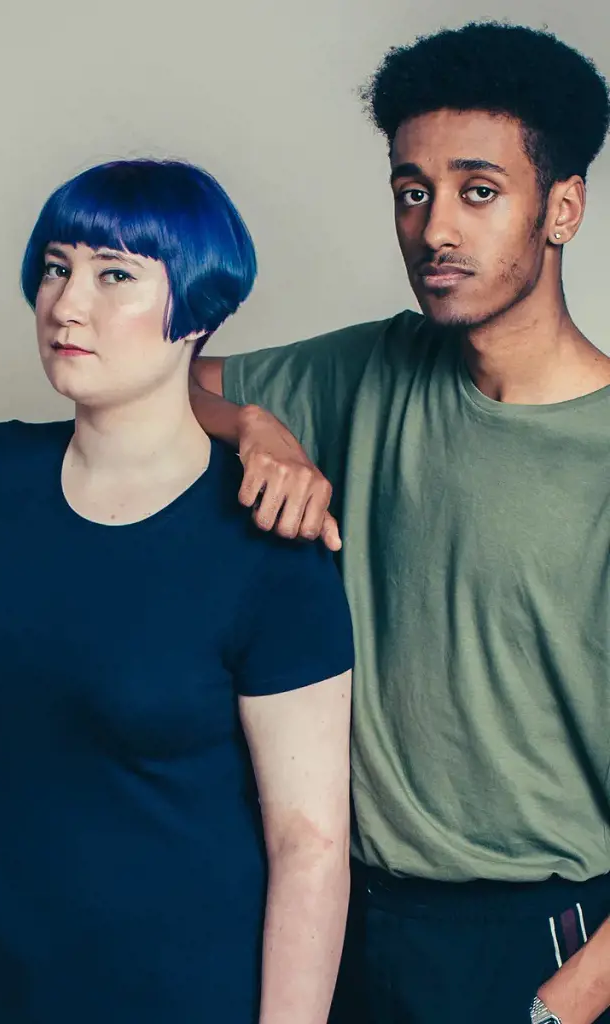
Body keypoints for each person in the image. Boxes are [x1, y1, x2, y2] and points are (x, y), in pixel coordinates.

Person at [0, 159, 355, 1024]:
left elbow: (309, 843)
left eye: (114, 275)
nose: (67, 303)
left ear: (196, 307)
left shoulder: (269, 540)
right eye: (57, 267)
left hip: (180, 997)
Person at [185, 21, 610, 1024]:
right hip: (349, 918)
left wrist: (561, 1006)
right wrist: (253, 426)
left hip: (540, 939)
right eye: (410, 190)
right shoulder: (371, 368)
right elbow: (154, 385)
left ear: (561, 210)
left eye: (477, 189)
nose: (434, 230)